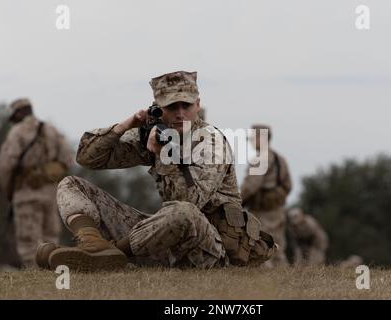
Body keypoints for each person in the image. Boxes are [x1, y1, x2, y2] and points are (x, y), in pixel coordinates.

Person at [36, 71, 276, 271]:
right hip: (163, 239)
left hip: (209, 248)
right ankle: (92, 245)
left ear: (198, 105)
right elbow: (88, 157)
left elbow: (186, 203)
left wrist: (162, 155)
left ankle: (109, 257)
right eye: (172, 106)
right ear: (158, 109)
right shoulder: (155, 133)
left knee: (183, 211)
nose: (180, 113)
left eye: (187, 105)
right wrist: (126, 125)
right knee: (71, 184)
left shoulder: (210, 144)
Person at [0, 98, 72, 267]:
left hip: (25, 193)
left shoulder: (17, 132)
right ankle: (52, 270)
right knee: (50, 236)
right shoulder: (51, 130)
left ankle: (35, 272)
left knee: (28, 239)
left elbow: (6, 165)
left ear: (18, 113)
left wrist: (10, 191)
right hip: (50, 193)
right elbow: (67, 159)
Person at [241, 124, 292, 267]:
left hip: (262, 212)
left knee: (262, 246)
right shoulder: (279, 159)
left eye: (252, 138)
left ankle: (268, 282)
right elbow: (288, 185)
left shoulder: (260, 159)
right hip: (277, 210)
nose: (250, 141)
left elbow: (251, 186)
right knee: (278, 248)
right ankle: (284, 280)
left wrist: (236, 201)